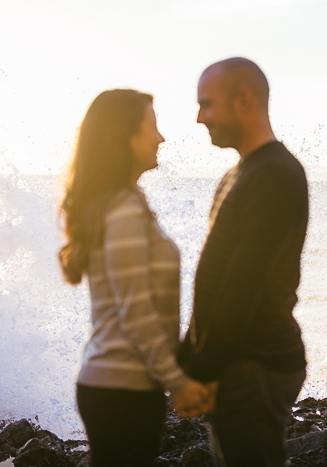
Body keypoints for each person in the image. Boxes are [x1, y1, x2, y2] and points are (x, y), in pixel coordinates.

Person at [59, 89, 210, 467]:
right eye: (152, 127)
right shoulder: (123, 208)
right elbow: (136, 311)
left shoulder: (122, 201)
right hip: (121, 391)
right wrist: (178, 382)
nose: (161, 138)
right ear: (123, 137)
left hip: (118, 387)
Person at [177, 58, 309, 466]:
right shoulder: (241, 173)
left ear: (244, 100)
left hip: (257, 363)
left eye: (207, 104)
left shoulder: (276, 174)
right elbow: (215, 279)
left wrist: (202, 371)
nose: (199, 117)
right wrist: (184, 360)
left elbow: (242, 285)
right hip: (238, 361)